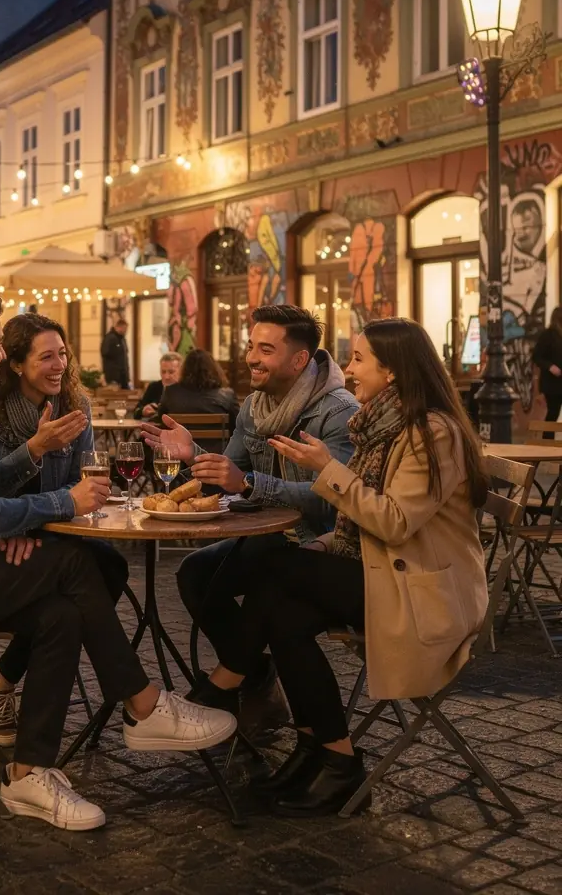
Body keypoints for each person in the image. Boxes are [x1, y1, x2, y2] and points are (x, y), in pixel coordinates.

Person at [0, 293, 237, 830]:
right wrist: (60, 503)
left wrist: (29, 471)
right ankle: (143, 704)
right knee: (76, 564)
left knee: (62, 612)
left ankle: (28, 772)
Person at [203, 318, 489, 815]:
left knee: (275, 570)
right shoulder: (384, 424)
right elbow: (368, 525)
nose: (348, 369)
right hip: (388, 572)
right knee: (284, 612)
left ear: (393, 371)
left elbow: (395, 522)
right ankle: (331, 755)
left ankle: (220, 689)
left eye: (358, 359)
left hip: (424, 596)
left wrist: (326, 470)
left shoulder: (432, 433)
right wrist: (327, 541)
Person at [143, 305, 358, 728]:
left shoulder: (338, 411)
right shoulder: (255, 406)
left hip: (323, 546)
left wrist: (247, 483)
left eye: (265, 350)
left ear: (298, 359)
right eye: (251, 346)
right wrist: (192, 455)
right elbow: (229, 476)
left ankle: (225, 686)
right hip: (271, 538)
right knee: (195, 574)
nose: (251, 359)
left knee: (268, 579)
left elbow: (334, 502)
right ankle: (257, 677)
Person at [0, 313, 131, 746]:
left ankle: (1, 676)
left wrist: (37, 519)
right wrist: (35, 448)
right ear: (15, 364)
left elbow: (79, 483)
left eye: (63, 354)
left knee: (111, 567)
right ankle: (137, 698)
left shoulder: (74, 404)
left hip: (46, 531)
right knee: (77, 581)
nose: (59, 365)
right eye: (46, 356)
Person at [157, 349, 239, 454]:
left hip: (179, 456)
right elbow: (237, 427)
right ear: (214, 370)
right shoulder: (227, 395)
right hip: (217, 457)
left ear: (184, 370)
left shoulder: (171, 392)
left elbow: (161, 420)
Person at [533, 307, 562, 434]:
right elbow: (537, 357)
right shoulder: (548, 335)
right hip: (553, 384)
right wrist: (550, 367)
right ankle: (547, 441)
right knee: (553, 414)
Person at [134, 352, 182, 419]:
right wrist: (143, 411)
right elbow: (136, 411)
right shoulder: (154, 387)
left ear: (181, 371)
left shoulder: (186, 389)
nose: (166, 377)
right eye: (163, 372)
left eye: (171, 372)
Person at [100, 317, 130, 389]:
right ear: (119, 327)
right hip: (114, 376)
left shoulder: (122, 339)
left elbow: (124, 357)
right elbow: (105, 352)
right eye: (125, 329)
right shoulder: (110, 338)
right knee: (114, 393)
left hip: (123, 377)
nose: (126, 331)